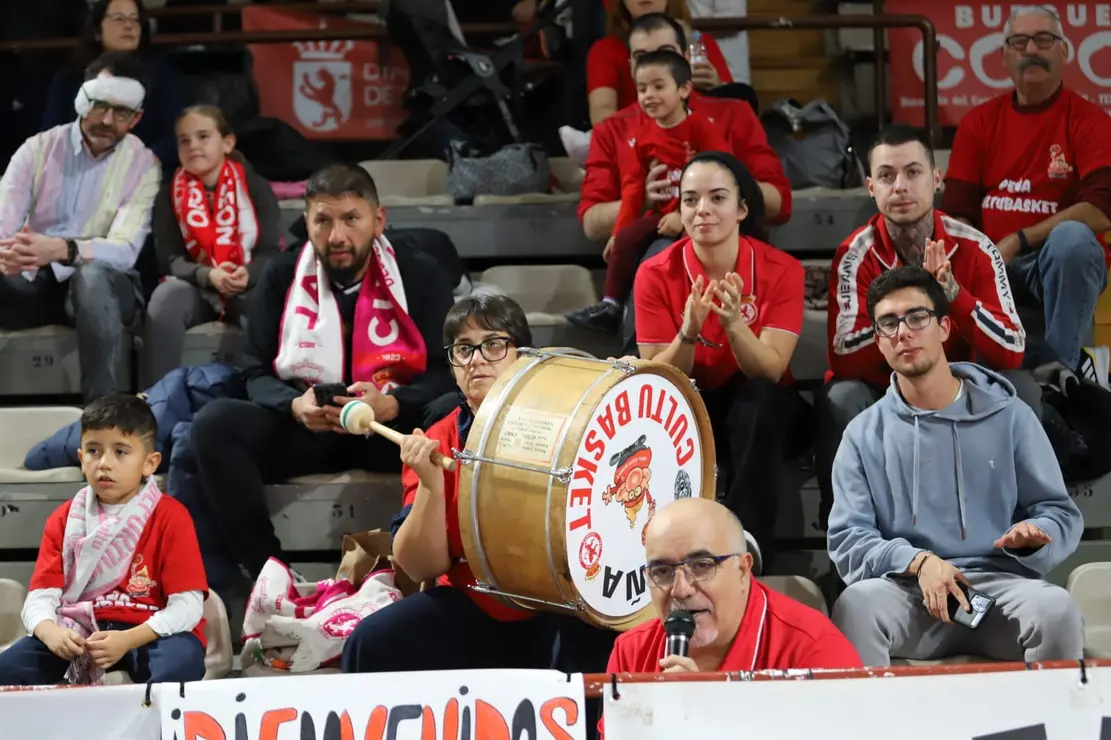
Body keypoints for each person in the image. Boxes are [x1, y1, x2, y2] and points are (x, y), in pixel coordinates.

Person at [188, 163, 456, 591]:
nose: (337, 236)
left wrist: (393, 403)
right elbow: (254, 371)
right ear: (307, 221)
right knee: (215, 424)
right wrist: (294, 405)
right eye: (323, 221)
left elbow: (449, 372)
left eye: (351, 218)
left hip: (393, 431)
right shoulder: (282, 274)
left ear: (378, 219)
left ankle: (427, 569)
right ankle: (268, 576)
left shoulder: (419, 272)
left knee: (450, 413)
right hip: (310, 429)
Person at [343, 294, 616, 675]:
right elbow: (418, 565)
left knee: (602, 644)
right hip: (476, 603)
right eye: (463, 349)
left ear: (522, 355)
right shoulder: (437, 437)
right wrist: (431, 486)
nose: (476, 359)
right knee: (372, 644)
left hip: (562, 603)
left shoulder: (569, 423)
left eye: (493, 344)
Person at [828, 265, 1084, 667]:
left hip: (1000, 589)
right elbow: (848, 541)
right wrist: (917, 561)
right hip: (908, 593)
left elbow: (1060, 513)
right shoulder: (862, 434)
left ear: (945, 327)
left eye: (917, 317)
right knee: (855, 606)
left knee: (1056, 609)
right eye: (889, 324)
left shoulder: (1010, 415)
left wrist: (1037, 535)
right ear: (878, 342)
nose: (904, 332)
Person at [816, 125, 1035, 529]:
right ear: (870, 187)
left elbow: (1012, 348)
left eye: (913, 172)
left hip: (958, 387)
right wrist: (911, 309)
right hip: (885, 390)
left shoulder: (975, 246)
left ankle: (1021, 539)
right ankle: (848, 541)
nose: (900, 186)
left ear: (936, 180)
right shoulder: (855, 253)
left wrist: (952, 292)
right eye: (886, 176)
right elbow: (844, 356)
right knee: (842, 395)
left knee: (1021, 387)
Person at [633, 151, 806, 556]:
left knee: (758, 399)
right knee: (659, 409)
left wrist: (733, 324)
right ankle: (662, 548)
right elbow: (658, 378)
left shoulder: (781, 269)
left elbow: (771, 368)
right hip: (695, 408)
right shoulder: (654, 272)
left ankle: (747, 545)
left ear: (742, 208)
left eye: (717, 198)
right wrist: (688, 333)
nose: (702, 211)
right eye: (690, 200)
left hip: (768, 414)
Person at [941, 6, 1111, 379]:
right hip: (991, 264)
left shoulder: (1091, 121)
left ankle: (1060, 374)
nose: (1031, 49)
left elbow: (1101, 209)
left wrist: (1018, 240)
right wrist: (981, 258)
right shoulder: (978, 122)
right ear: (1004, 56)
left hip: (1054, 265)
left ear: (1064, 52)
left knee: (1073, 240)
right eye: (1019, 41)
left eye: (1043, 39)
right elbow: (956, 212)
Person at [598, 498, 860, 736]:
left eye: (702, 566)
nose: (681, 590)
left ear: (743, 570)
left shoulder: (815, 651)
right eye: (662, 572)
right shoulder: (631, 653)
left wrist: (707, 719)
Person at [0, 395, 207, 686]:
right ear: (81, 458)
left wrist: (128, 639)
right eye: (94, 451)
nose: (104, 464)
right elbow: (41, 597)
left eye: (121, 452)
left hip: (146, 633)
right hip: (79, 633)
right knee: (6, 669)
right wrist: (51, 632)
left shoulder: (171, 517)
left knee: (180, 663)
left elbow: (188, 606)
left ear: (150, 463)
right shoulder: (63, 519)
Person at [0, 51, 159, 403]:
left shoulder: (144, 164)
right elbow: (3, 228)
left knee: (91, 276)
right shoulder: (37, 149)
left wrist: (63, 249)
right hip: (34, 280)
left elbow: (125, 250)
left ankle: (102, 414)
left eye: (121, 112)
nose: (106, 119)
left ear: (136, 118)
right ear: (80, 100)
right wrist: (8, 256)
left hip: (106, 285)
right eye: (99, 105)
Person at [567, 49, 730, 333]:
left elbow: (723, 174)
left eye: (658, 87)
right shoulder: (642, 138)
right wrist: (619, 230)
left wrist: (684, 214)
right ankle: (611, 305)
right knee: (627, 239)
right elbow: (633, 188)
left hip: (700, 215)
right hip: (660, 214)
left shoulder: (702, 128)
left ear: (683, 89)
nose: (648, 96)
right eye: (642, 89)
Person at [140, 105, 282, 388]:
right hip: (195, 285)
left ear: (227, 143)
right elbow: (169, 259)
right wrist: (207, 275)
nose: (193, 145)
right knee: (166, 297)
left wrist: (247, 274)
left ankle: (264, 393)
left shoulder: (255, 187)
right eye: (184, 140)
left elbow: (270, 253)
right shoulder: (169, 191)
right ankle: (155, 400)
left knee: (263, 299)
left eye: (203, 136)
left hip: (244, 283)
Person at [41, 0, 185, 169]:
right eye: (118, 18)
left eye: (135, 20)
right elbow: (52, 132)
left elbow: (172, 134)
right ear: (97, 31)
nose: (128, 26)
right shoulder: (71, 75)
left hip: (142, 172)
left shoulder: (160, 74)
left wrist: (140, 164)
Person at [586, 0, 731, 126]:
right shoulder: (607, 49)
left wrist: (718, 87)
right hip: (635, 144)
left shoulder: (699, 43)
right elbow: (601, 114)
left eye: (667, 51)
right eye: (640, 55)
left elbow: (736, 108)